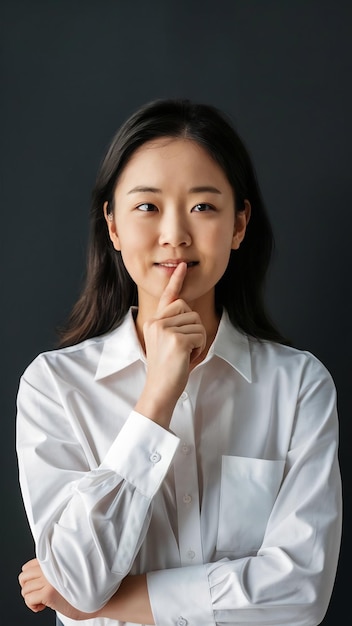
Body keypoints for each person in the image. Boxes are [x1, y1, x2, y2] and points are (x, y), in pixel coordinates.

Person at [17, 98, 342, 626]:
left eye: (203, 207)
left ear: (239, 226)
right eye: (147, 207)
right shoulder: (54, 386)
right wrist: (156, 400)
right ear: (113, 226)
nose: (175, 234)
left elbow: (301, 593)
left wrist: (113, 603)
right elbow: (77, 577)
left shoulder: (299, 385)